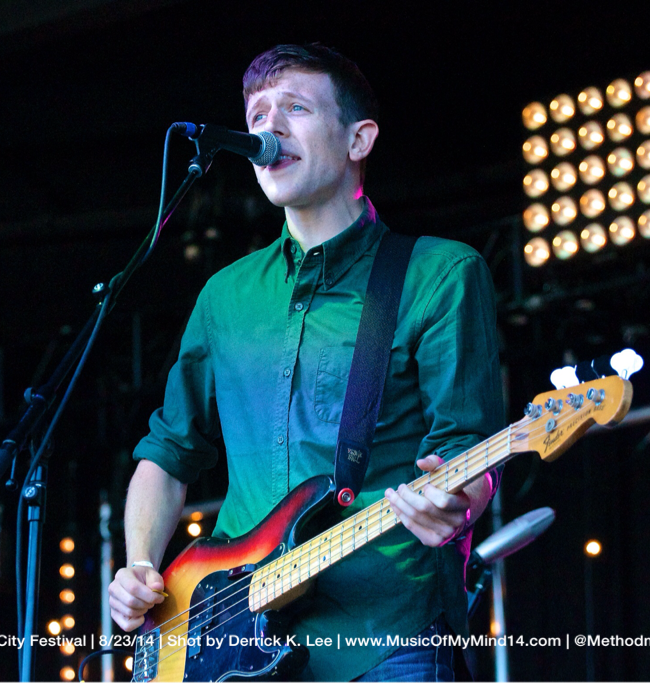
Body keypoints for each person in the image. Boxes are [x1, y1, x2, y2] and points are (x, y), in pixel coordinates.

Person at [108, 43, 503, 682]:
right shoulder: (225, 296)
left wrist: (461, 500)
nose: (269, 127)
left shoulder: (440, 273)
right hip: (229, 639)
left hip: (384, 637)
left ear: (358, 139)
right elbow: (169, 453)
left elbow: (468, 447)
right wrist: (139, 567)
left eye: (295, 108)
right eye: (257, 115)